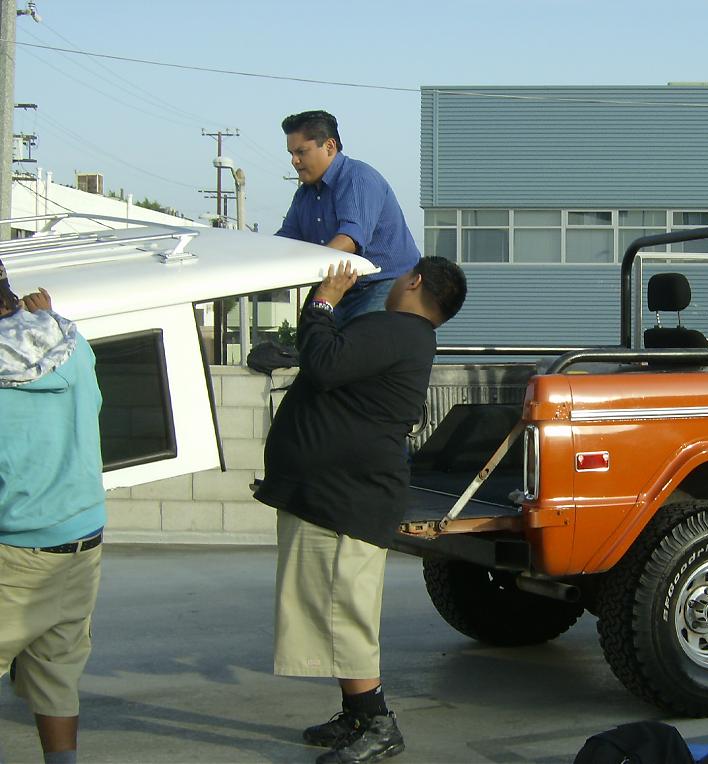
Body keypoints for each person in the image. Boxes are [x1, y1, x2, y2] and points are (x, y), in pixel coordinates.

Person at [254, 255, 467, 764]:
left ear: (415, 282)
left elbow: (324, 363)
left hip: (347, 498)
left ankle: (377, 724)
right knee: (329, 610)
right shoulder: (401, 333)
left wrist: (325, 299)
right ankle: (355, 713)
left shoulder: (399, 330)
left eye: (401, 275)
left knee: (344, 612)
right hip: (334, 495)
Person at [0, 258, 105, 764]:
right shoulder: (70, 342)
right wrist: (48, 315)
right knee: (57, 675)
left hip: (16, 551)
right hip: (82, 543)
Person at [276, 109, 421, 327]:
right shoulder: (304, 194)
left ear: (329, 146)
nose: (294, 161)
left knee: (360, 344)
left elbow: (350, 239)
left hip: (386, 283)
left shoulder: (358, 178)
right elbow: (285, 241)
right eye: (291, 154)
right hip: (340, 284)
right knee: (311, 338)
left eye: (301, 152)